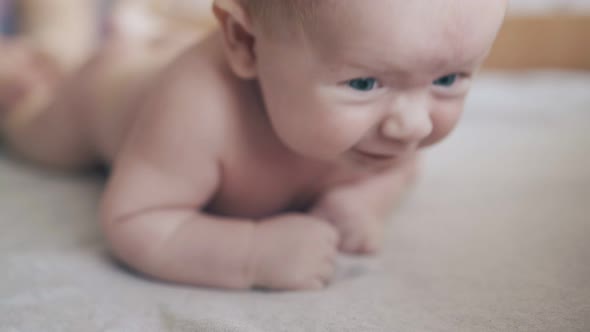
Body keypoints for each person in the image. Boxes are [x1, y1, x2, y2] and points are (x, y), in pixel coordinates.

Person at [0, 0, 508, 290]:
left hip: (181, 53)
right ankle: (36, 64)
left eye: (448, 78)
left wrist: (362, 201)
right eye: (363, 84)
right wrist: (250, 255)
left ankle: (137, 30)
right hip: (103, 94)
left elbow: (400, 168)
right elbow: (134, 219)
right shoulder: (198, 110)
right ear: (246, 44)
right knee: (34, 129)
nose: (414, 126)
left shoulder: (386, 127)